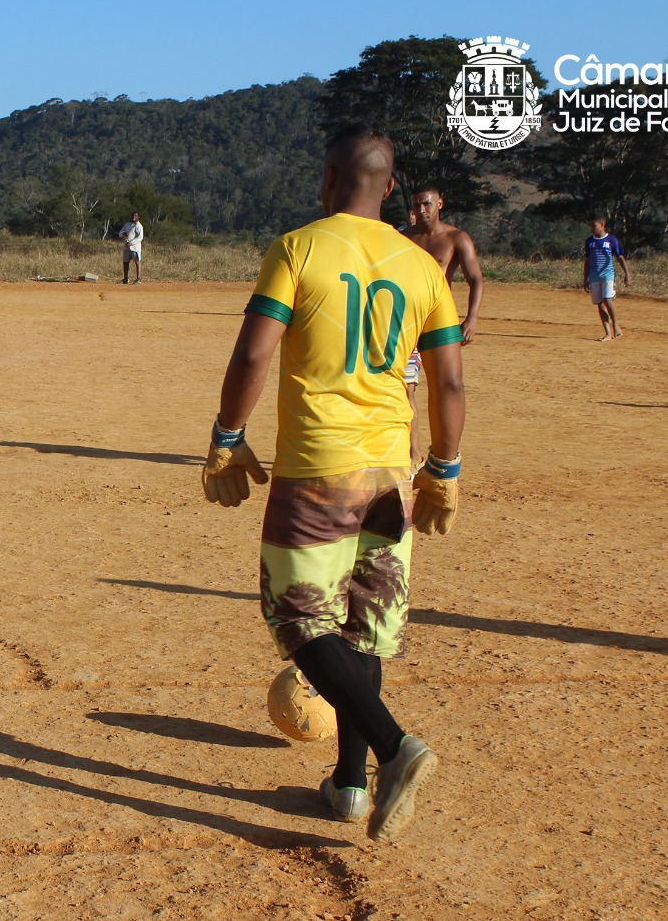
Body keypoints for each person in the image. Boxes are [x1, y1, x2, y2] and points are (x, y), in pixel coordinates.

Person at [200, 123, 466, 842]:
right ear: (391, 187)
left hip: (318, 469)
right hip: (391, 474)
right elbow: (449, 382)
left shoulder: (298, 248)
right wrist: (444, 468)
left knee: (298, 620)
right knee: (364, 631)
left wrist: (228, 436)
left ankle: (394, 746)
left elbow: (253, 354)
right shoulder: (423, 268)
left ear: (327, 179)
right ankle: (350, 785)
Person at [401, 187, 485, 460]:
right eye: (416, 205)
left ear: (439, 203)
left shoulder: (456, 238)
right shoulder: (402, 238)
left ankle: (445, 459)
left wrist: (471, 319)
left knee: (448, 386)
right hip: (407, 321)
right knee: (405, 387)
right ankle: (413, 454)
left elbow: (476, 279)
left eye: (426, 204)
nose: (421, 210)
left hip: (439, 320)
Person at [584, 217, 631, 341]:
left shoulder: (611, 240)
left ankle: (615, 325)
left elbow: (620, 257)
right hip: (594, 276)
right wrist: (585, 279)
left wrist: (627, 274)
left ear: (602, 225)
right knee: (600, 304)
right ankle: (608, 333)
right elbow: (587, 261)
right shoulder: (589, 241)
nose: (592, 228)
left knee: (607, 300)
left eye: (594, 225)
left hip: (608, 276)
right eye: (590, 226)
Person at [118, 211, 144, 284]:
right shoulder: (127, 224)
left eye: (136, 216)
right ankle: (125, 278)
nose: (134, 217)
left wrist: (131, 243)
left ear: (138, 217)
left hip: (135, 247)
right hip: (126, 247)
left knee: (137, 262)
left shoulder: (139, 226)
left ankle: (138, 279)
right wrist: (123, 233)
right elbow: (120, 233)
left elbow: (140, 237)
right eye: (133, 215)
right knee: (125, 262)